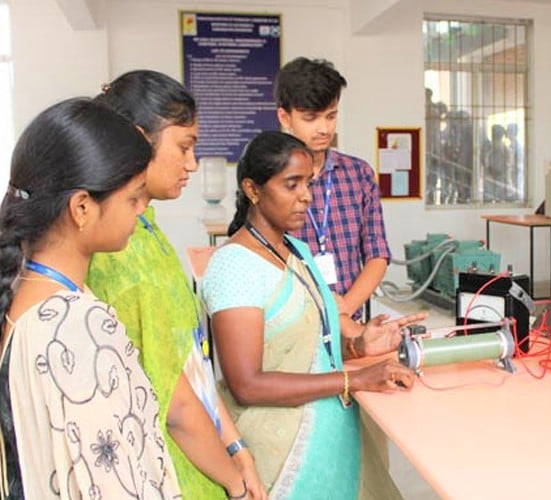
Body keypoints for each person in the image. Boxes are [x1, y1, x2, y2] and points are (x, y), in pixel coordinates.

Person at [200, 131, 426, 499]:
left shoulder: (296, 251)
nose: (306, 195)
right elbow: (246, 384)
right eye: (292, 184)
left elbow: (309, 344)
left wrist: (357, 345)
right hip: (283, 448)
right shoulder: (233, 266)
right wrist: (354, 380)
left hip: (333, 431)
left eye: (308, 183)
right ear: (253, 190)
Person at [85, 70, 264, 500]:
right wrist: (236, 480)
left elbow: (190, 360)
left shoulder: (146, 228)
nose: (192, 164)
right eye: (184, 146)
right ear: (137, 139)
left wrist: (237, 447)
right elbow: (176, 406)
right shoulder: (122, 253)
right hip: (170, 473)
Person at [0, 98, 182, 497]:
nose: (141, 209)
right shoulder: (73, 324)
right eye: (133, 197)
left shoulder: (24, 291)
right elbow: (112, 482)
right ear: (82, 207)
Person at [275, 57, 390, 322]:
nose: (324, 128)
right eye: (310, 118)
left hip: (349, 320)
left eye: (331, 116)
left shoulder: (358, 175)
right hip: (291, 324)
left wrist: (344, 308)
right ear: (285, 116)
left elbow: (378, 253)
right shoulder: (269, 179)